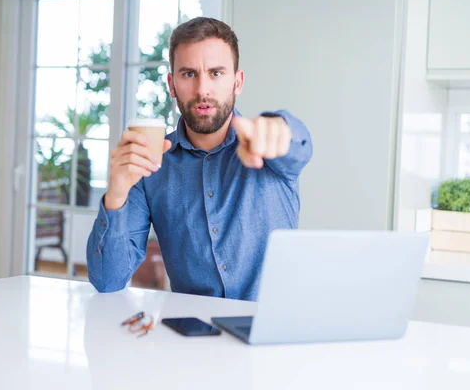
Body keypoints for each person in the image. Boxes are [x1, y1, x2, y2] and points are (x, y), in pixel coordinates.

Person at [86, 17, 313, 301]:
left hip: (273, 331)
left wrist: (280, 129)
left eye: (216, 73)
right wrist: (117, 193)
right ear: (171, 84)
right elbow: (107, 281)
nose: (203, 90)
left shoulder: (269, 146)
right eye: (189, 74)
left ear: (237, 82)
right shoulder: (151, 164)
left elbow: (299, 144)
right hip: (192, 336)